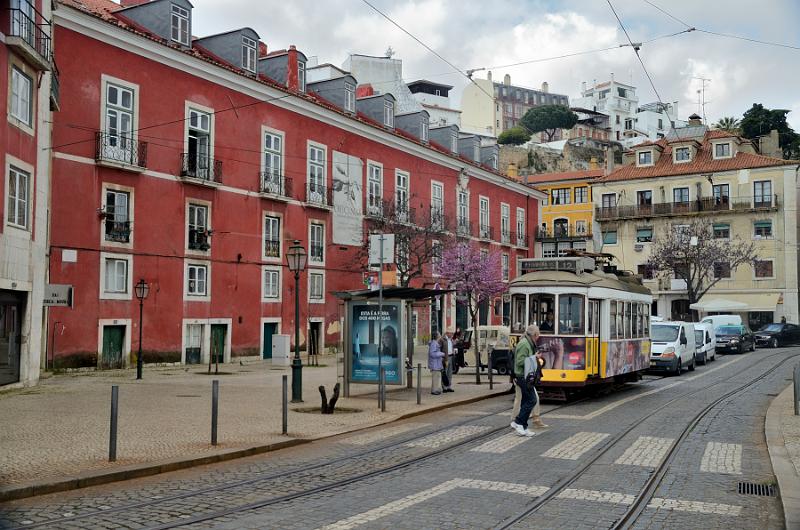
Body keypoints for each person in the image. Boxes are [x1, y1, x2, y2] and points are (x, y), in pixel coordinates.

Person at [510, 334, 548, 429]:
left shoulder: (525, 347)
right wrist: (514, 376)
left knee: (530, 398)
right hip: (521, 377)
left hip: (526, 377)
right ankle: (517, 420)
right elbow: (516, 363)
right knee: (523, 399)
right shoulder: (521, 348)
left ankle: (534, 419)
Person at [510, 325, 540, 437]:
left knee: (526, 401)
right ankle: (518, 422)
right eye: (538, 335)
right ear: (534, 335)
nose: (538, 337)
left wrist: (534, 357)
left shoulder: (528, 343)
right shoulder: (524, 344)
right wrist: (534, 358)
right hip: (522, 376)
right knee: (532, 400)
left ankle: (524, 426)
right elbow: (519, 361)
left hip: (526, 375)